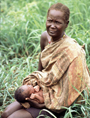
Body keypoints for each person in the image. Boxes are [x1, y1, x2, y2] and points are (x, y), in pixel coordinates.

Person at [1, 2, 90, 118]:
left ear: (66, 24)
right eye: (50, 21)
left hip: (55, 102)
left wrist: (40, 105)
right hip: (37, 91)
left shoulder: (73, 51)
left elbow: (71, 92)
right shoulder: (45, 37)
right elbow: (41, 72)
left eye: (57, 22)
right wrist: (32, 92)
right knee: (5, 114)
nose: (52, 25)